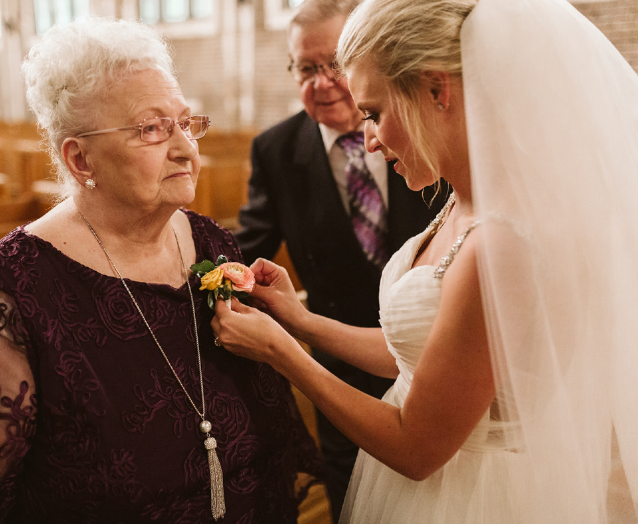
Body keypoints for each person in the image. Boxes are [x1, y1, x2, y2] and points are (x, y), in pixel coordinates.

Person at [212, 0, 638, 522]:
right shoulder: (466, 199)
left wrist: (284, 354)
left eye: (374, 113)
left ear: (439, 91)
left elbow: (417, 449)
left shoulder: (502, 244)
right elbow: (420, 358)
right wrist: (301, 321)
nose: (367, 137)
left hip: (475, 498)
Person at [0, 17, 323, 523]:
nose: (186, 148)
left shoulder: (211, 243)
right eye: (151, 129)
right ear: (80, 161)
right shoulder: (9, 295)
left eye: (186, 123)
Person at [232, 0, 446, 518]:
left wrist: (287, 348)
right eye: (306, 69)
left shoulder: (431, 144)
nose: (323, 82)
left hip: (439, 362)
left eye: (333, 65)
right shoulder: (277, 150)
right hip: (342, 368)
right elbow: (247, 244)